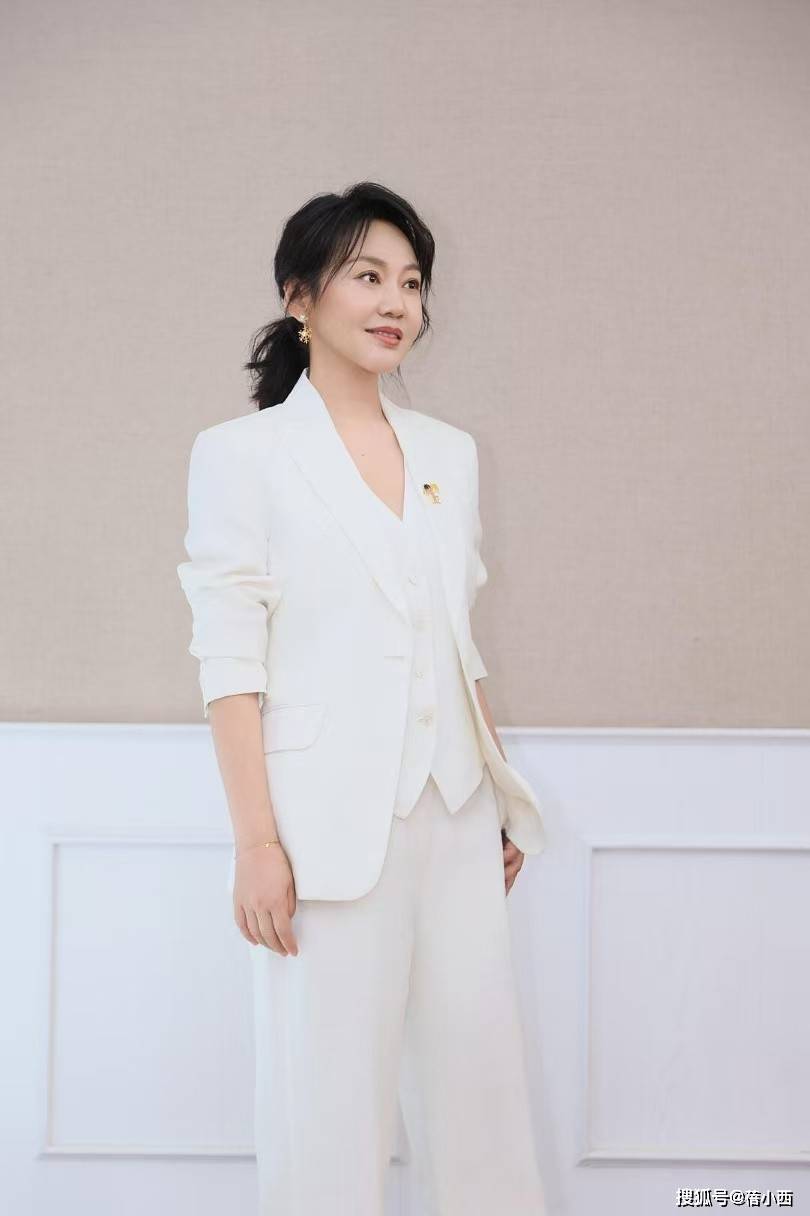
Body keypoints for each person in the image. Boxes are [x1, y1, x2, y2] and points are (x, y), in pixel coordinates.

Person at [177, 181, 548, 1215]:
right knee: (326, 1109)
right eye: (368, 276)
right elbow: (230, 665)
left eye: (412, 282)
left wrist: (496, 789)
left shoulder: (450, 455)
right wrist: (257, 843)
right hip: (321, 832)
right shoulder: (240, 455)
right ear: (300, 297)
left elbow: (456, 640)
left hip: (458, 816)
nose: (396, 303)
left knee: (481, 1098)